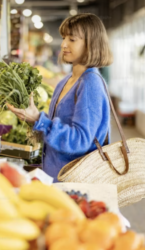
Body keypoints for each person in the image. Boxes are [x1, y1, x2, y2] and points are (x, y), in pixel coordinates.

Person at [7, 13, 113, 182]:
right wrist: (33, 119)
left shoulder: (90, 82)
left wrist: (39, 120)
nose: (63, 44)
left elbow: (80, 141)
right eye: (64, 38)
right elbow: (61, 126)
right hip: (55, 175)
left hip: (74, 182)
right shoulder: (66, 80)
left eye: (72, 39)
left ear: (91, 43)